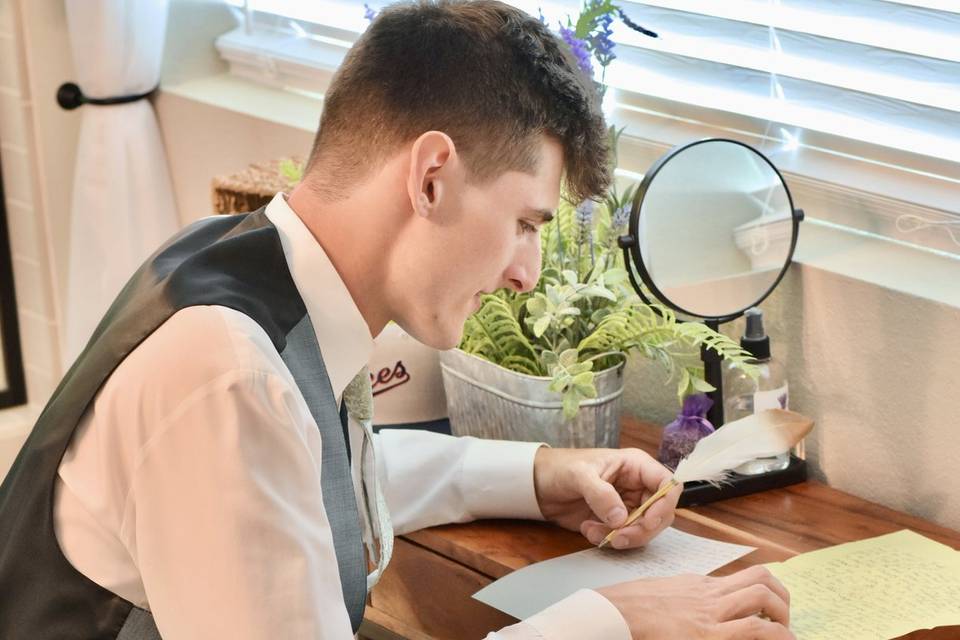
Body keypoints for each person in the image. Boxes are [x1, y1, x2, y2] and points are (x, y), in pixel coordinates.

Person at [0, 1, 793, 638]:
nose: (526, 273)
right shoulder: (227, 375)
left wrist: (539, 476)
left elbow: (318, 474)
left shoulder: (242, 265)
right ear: (433, 176)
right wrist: (612, 624)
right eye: (524, 222)